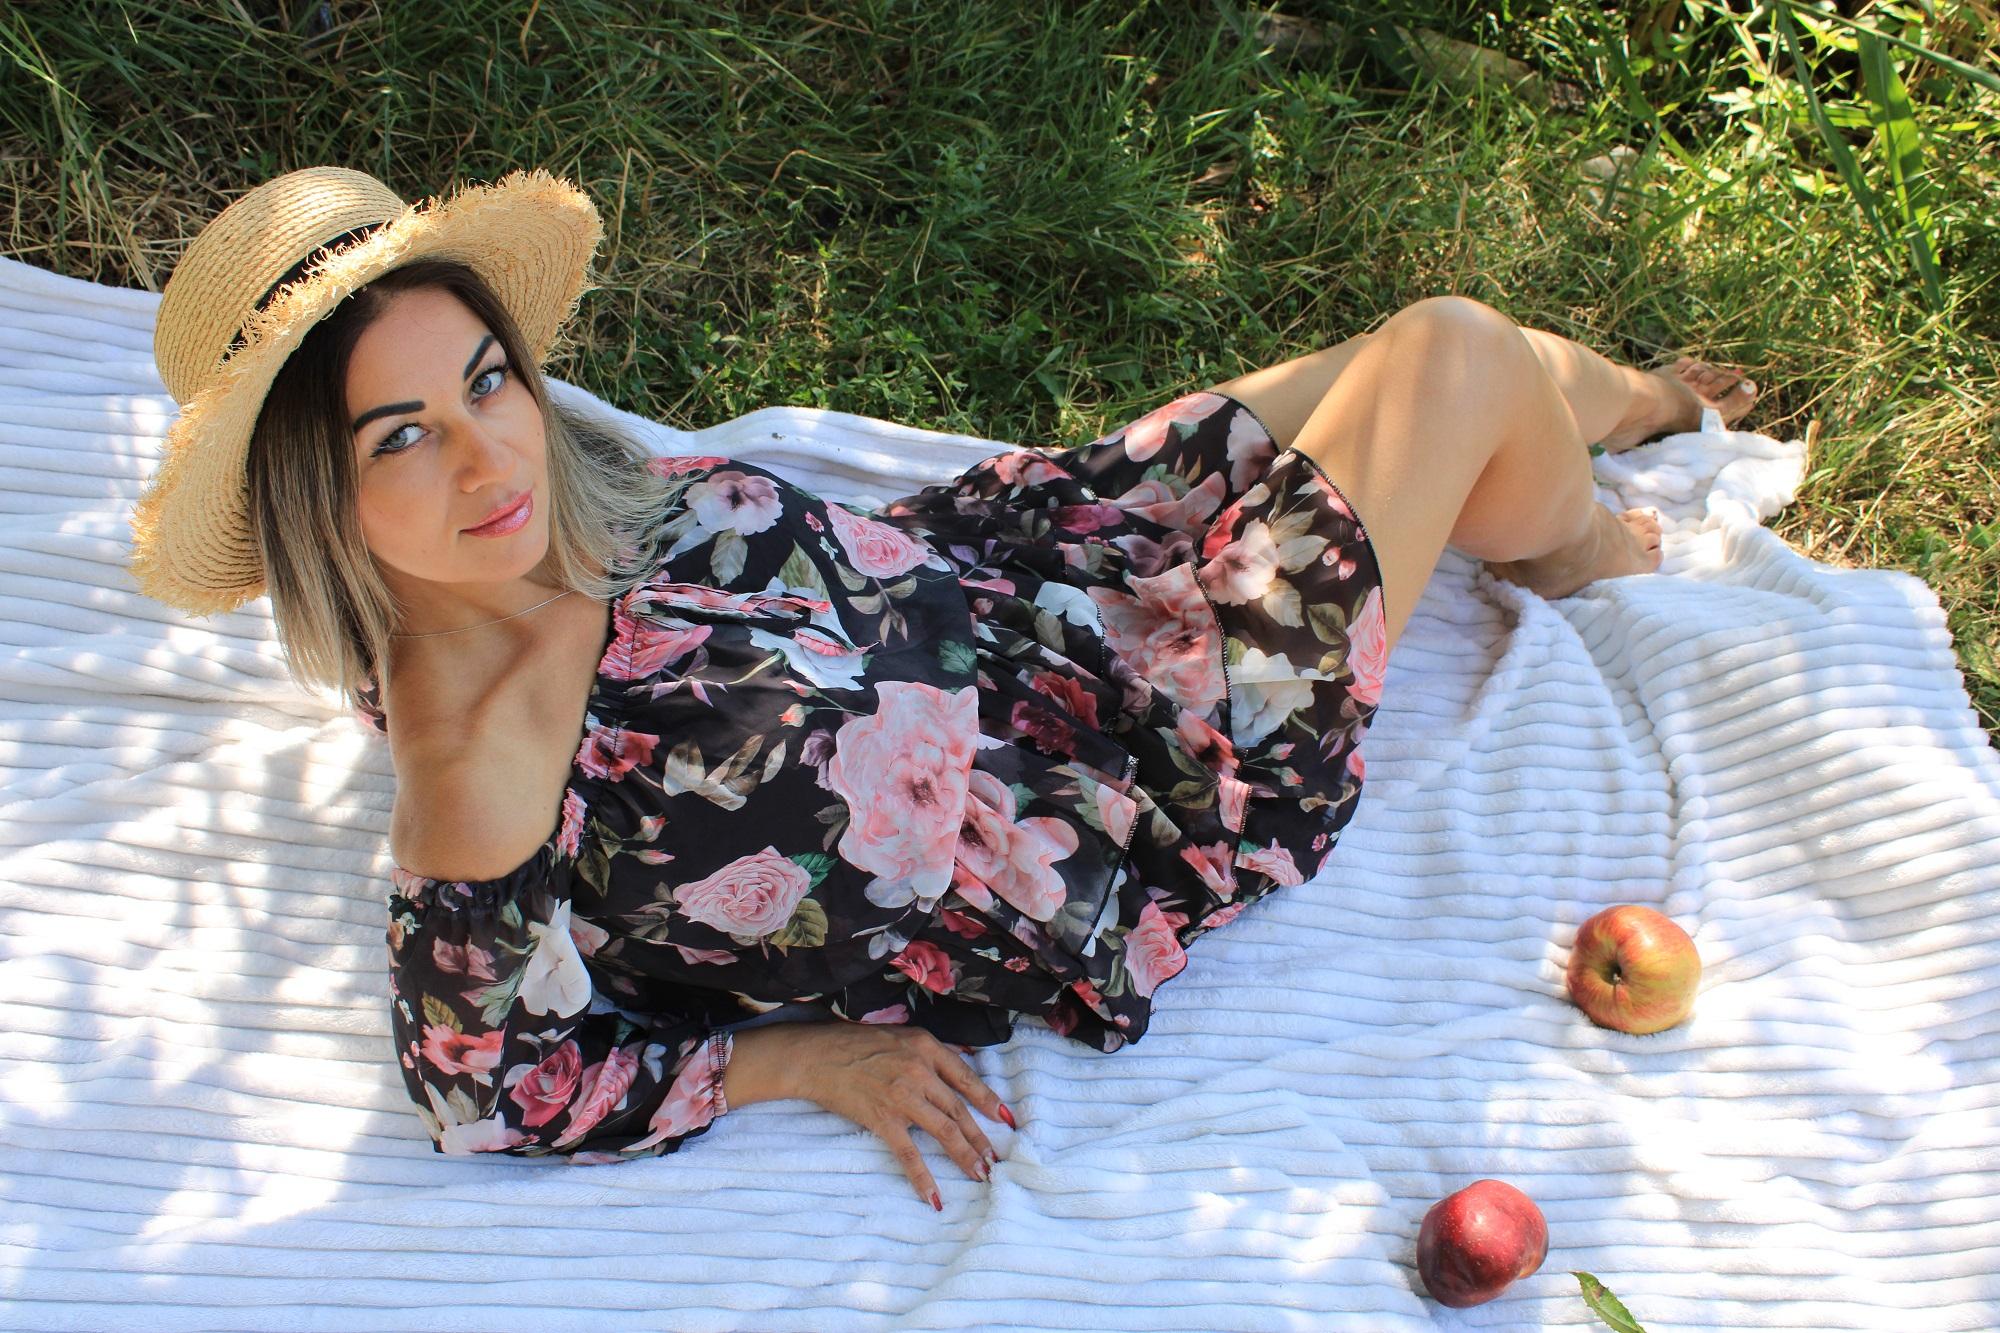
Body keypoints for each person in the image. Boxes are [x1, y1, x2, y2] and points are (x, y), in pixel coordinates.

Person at [132, 167, 1759, 1209]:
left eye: (487, 379)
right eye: (400, 437)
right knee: (1454, 355)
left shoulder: (550, 498)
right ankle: (1595, 553)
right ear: (319, 499)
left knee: (1426, 366)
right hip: (1136, 783)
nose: (491, 456)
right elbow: (488, 1083)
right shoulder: (475, 755)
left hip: (1036, 570)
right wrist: (789, 1061)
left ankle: (1640, 407)